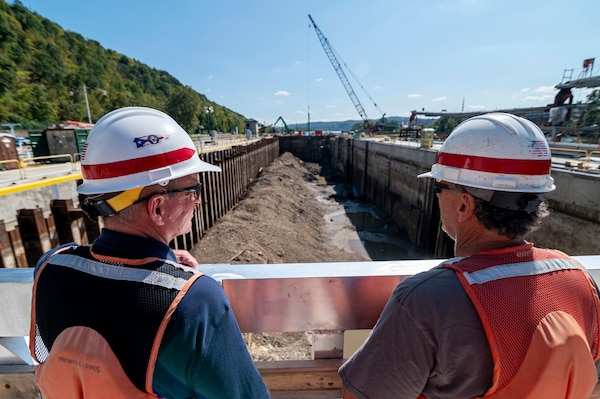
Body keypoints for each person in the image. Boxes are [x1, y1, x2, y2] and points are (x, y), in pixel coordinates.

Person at [339, 112, 600, 399]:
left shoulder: (426, 300)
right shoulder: (579, 281)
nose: (436, 196)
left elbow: (362, 395)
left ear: (464, 206)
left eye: (439, 187)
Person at [29, 106, 270, 399]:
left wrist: (168, 266)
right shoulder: (195, 302)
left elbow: (49, 348)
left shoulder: (51, 266)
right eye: (192, 190)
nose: (198, 201)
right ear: (157, 207)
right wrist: (185, 285)